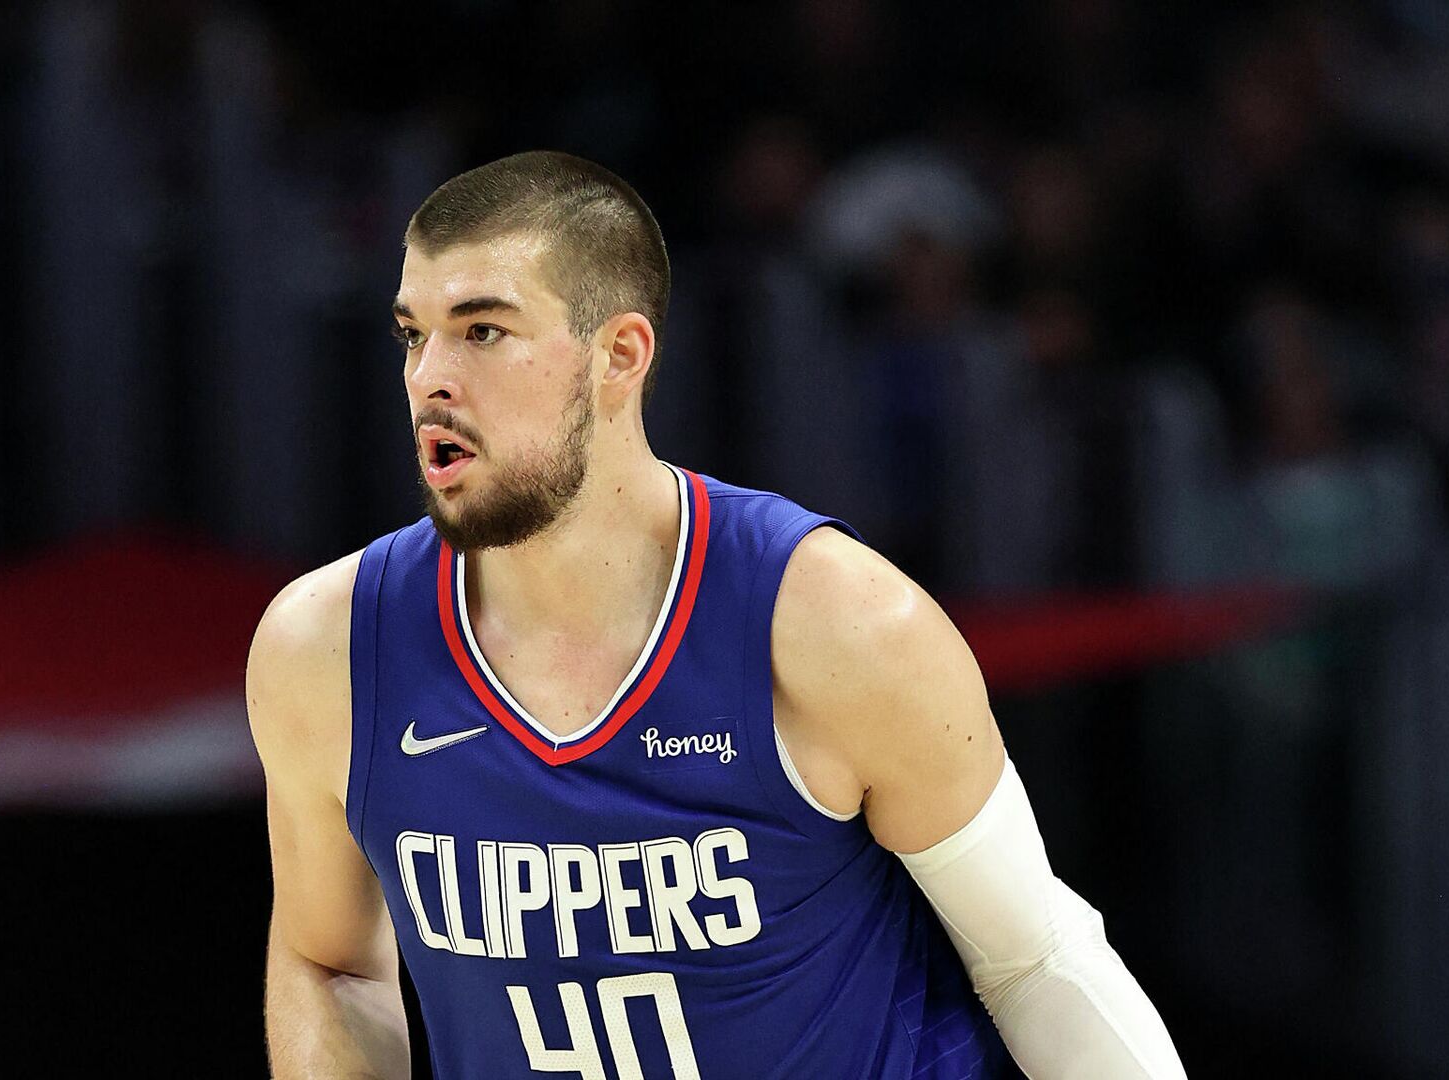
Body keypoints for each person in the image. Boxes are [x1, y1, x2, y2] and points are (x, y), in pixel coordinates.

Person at [248, 150, 1187, 1080]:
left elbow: (1037, 963)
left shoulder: (840, 625)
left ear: (620, 356)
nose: (430, 380)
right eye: (414, 335)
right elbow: (328, 964)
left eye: (483, 331)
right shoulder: (324, 649)